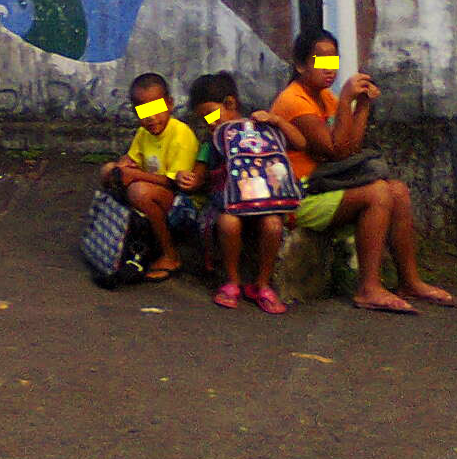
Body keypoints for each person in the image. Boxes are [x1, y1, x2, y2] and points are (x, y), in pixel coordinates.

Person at [270, 28, 456, 314]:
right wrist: (346, 101)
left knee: (399, 191)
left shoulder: (325, 98)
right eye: (321, 61)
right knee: (378, 193)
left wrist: (363, 106)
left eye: (333, 61)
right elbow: (336, 150)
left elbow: (350, 148)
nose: (329, 70)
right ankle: (368, 287)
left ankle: (410, 281)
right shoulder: (294, 100)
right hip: (301, 197)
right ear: (300, 65)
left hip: (325, 186)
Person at [181, 71, 304, 315]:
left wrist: (277, 121)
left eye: (210, 115)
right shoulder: (212, 142)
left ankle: (262, 284)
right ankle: (232, 281)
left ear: (230, 103)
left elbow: (300, 144)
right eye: (203, 120)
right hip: (229, 204)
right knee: (228, 223)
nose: (209, 123)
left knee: (272, 226)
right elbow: (199, 176)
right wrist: (186, 179)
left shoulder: (261, 130)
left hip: (265, 202)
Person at [99, 72, 199, 282]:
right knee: (108, 170)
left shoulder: (181, 135)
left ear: (169, 104)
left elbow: (174, 183)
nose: (151, 117)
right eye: (144, 111)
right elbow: (131, 158)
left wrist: (134, 174)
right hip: (153, 190)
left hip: (181, 201)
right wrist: (121, 165)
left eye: (156, 109)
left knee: (138, 191)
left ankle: (170, 255)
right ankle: (121, 240)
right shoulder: (144, 133)